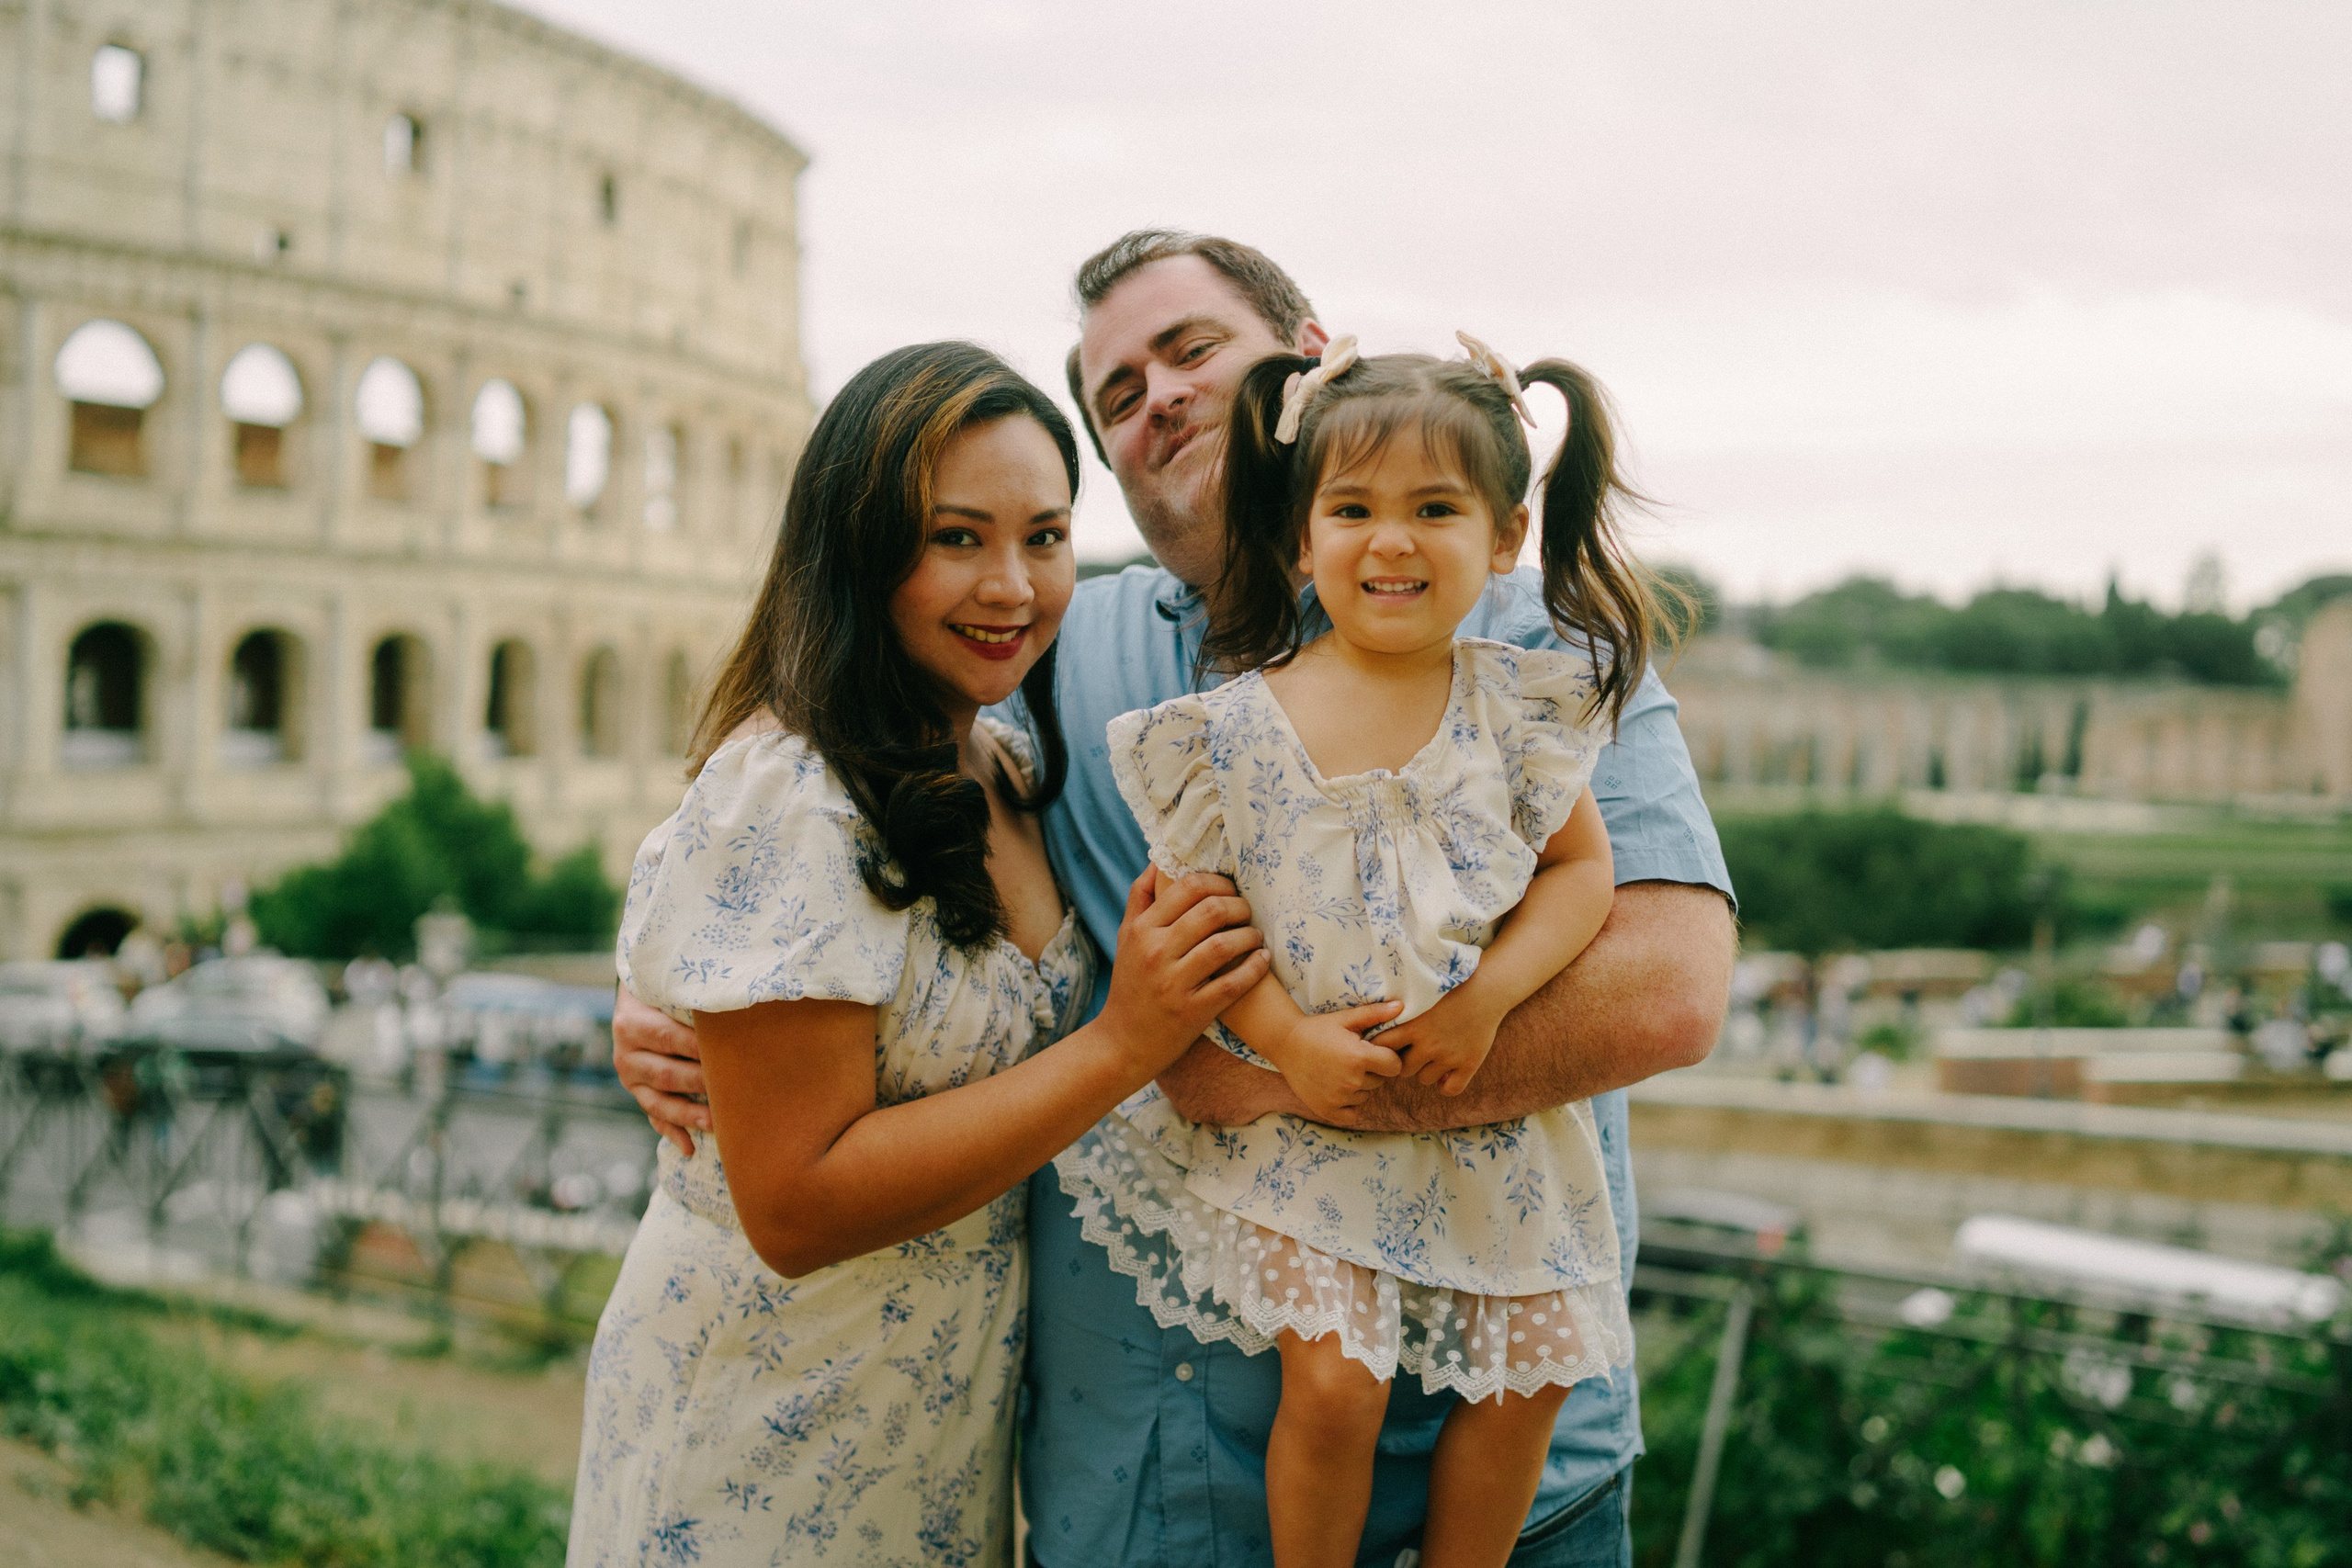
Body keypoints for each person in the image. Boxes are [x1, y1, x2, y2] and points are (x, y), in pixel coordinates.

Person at [615, 232, 1737, 1567]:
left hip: (1477, 1469)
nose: (1160, 397)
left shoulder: (1523, 636)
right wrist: (646, 993)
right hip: (1138, 1486)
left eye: (1191, 348)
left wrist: (1254, 1077)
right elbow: (822, 791)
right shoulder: (1057, 644)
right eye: (1117, 393)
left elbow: (1667, 989)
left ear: (1306, 357)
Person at [567, 342, 1270, 1568]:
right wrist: (1124, 1044)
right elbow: (791, 1205)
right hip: (767, 1417)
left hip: (935, 1415)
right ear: (857, 545)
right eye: (957, 537)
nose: (1013, 585)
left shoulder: (1000, 752)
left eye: (1045, 536)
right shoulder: (793, 792)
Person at [1062, 334, 1669, 1568]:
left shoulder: (1518, 710)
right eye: (1353, 509)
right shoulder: (1229, 728)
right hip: (1310, 1123)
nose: (1391, 542)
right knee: (1337, 1390)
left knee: (1529, 1381)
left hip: (1486, 1112)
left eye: (1434, 510)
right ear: (1303, 536)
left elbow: (1581, 872)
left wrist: (1489, 1001)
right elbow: (1199, 916)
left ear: (1503, 538)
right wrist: (1287, 1045)